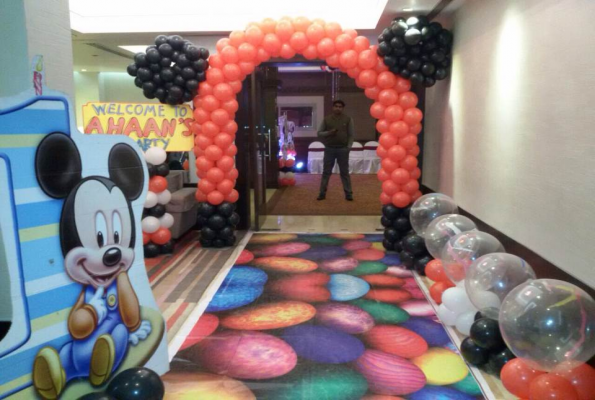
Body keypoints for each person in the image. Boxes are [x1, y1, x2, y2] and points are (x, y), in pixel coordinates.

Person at [317, 99, 355, 201]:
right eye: (336, 106)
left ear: (343, 108)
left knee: (344, 172)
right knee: (326, 172)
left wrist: (349, 147)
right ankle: (322, 193)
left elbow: (351, 135)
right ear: (333, 107)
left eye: (340, 107)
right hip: (329, 149)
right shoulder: (327, 119)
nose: (338, 108)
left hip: (343, 149)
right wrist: (329, 132)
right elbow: (319, 133)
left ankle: (348, 194)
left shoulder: (348, 119)